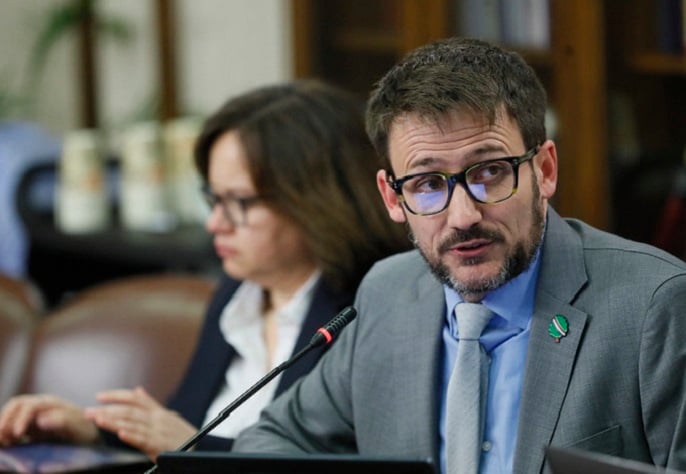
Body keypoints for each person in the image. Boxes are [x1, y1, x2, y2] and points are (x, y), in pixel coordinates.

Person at [231, 37, 686, 473]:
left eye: (490, 172)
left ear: (545, 170)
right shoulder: (387, 293)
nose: (464, 216)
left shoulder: (654, 306)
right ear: (392, 198)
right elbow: (272, 441)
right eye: (428, 184)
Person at [0, 80, 409, 460]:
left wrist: (192, 447)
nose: (215, 223)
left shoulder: (372, 308)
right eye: (214, 199)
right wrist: (91, 429)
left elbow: (337, 465)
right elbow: (181, 429)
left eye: (239, 202)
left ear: (318, 199)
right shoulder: (237, 292)